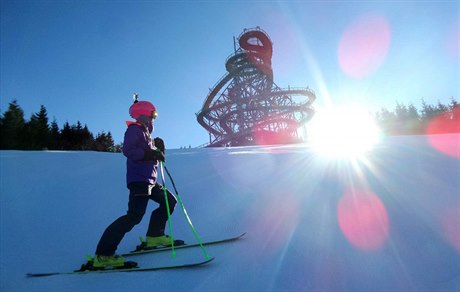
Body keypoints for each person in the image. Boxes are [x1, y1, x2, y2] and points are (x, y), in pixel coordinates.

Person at [92, 99, 177, 268]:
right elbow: (129, 151)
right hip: (139, 181)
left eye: (155, 115)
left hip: (150, 181)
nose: (154, 118)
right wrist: (150, 153)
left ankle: (154, 236)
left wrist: (159, 151)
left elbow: (154, 157)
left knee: (169, 201)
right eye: (152, 115)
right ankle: (103, 255)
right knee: (134, 216)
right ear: (143, 115)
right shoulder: (134, 130)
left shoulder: (147, 135)